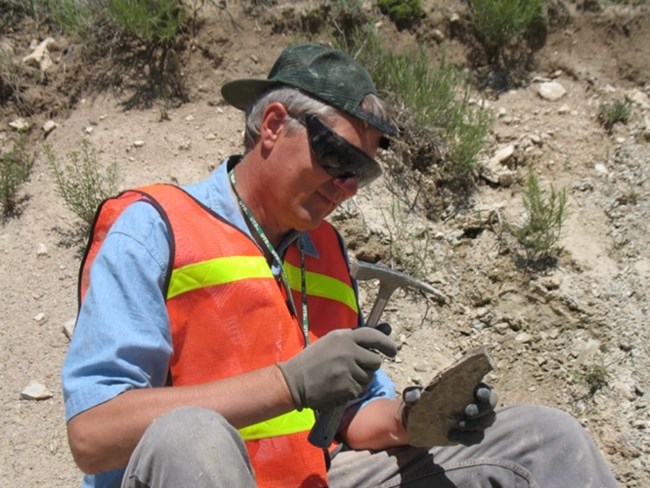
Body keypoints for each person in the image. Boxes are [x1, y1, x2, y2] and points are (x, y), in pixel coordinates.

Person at [62, 43, 618, 488]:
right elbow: (93, 435)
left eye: (363, 172)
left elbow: (353, 419)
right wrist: (288, 384)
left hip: (315, 476)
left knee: (544, 440)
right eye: (339, 157)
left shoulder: (325, 252)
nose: (348, 187)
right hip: (191, 473)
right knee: (190, 437)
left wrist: (416, 418)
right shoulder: (153, 228)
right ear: (274, 126)